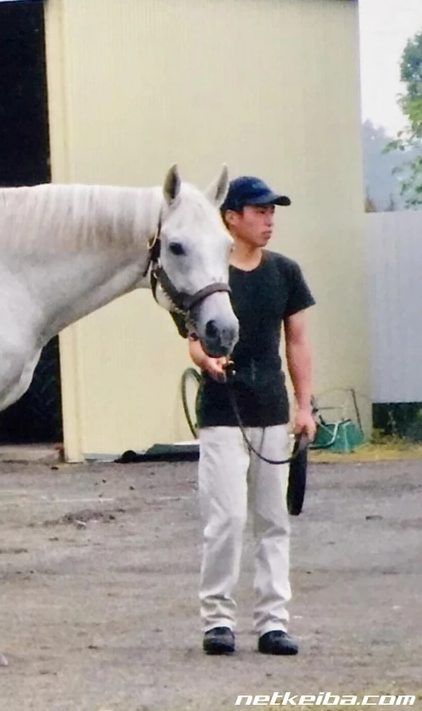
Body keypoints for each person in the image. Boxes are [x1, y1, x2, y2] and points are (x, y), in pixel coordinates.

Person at [188, 175, 316, 657]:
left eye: (272, 212)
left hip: (271, 413)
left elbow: (298, 341)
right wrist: (206, 361)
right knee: (225, 518)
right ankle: (217, 619)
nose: (269, 220)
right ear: (232, 218)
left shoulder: (285, 272)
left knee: (273, 520)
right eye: (259, 211)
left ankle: (272, 622)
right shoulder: (212, 273)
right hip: (223, 414)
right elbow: (194, 338)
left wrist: (304, 407)